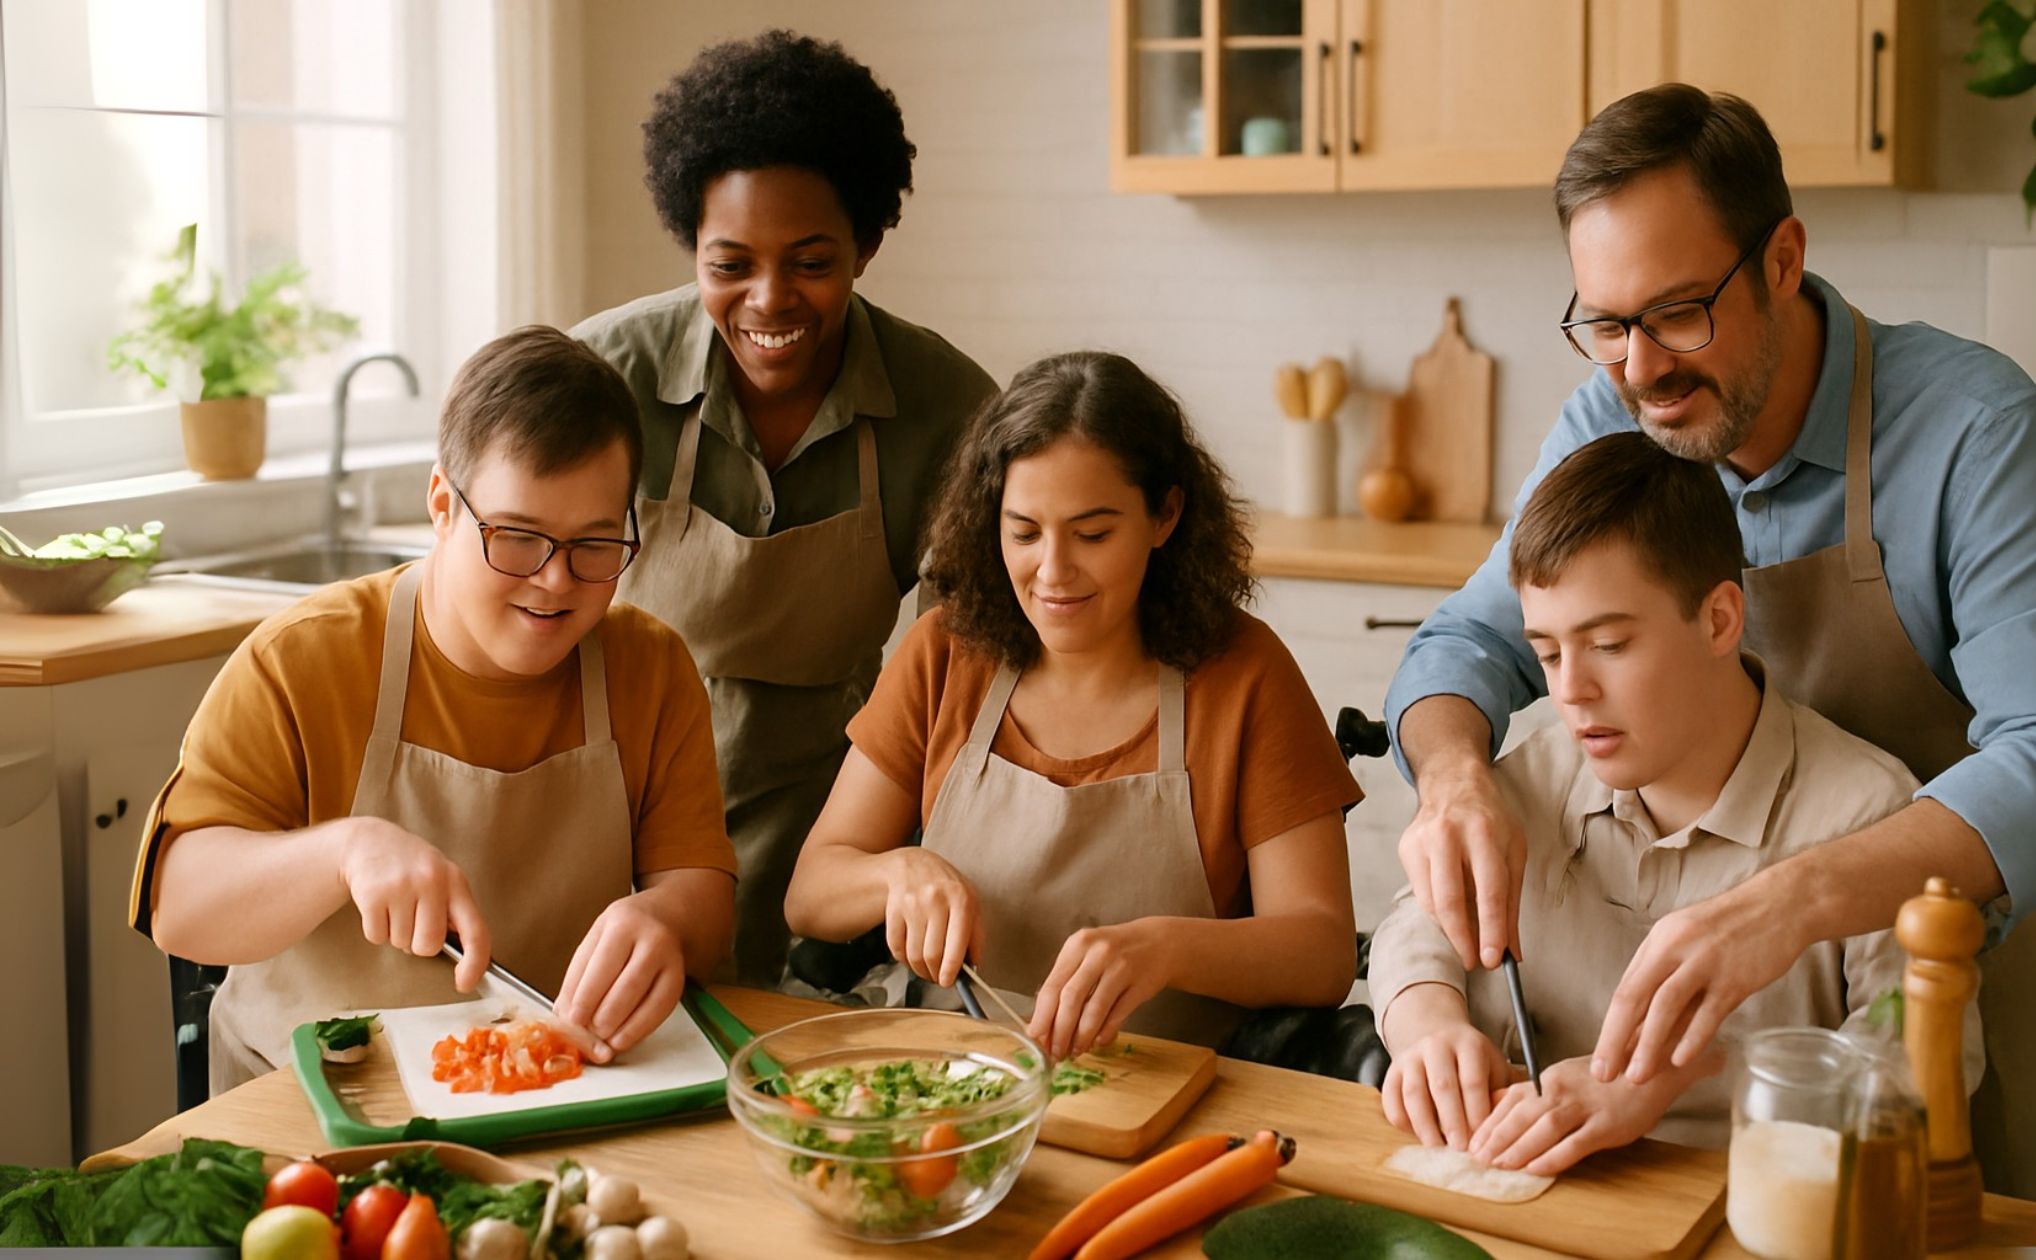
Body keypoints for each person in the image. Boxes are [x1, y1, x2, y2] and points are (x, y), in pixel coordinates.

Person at [1383, 84, 2036, 1088]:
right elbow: (1465, 643)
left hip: (1903, 998)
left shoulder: (1970, 433)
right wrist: (1455, 782)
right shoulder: (1608, 419)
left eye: (1676, 314)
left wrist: (1790, 899)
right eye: (1604, 325)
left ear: (1781, 260)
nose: (1639, 370)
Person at [134, 327, 737, 1092]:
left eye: (594, 545)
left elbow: (705, 898)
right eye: (518, 538)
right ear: (443, 505)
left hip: (564, 1091)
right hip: (312, 1104)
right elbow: (179, 909)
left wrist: (668, 923)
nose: (554, 581)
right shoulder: (302, 658)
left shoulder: (649, 667)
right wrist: (342, 853)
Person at [1372, 431, 1981, 1173]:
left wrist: (1676, 1077)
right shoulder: (1532, 774)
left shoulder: (1873, 819)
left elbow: (1918, 1085)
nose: (1571, 692)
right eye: (1550, 652)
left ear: (1721, 620)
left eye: (1610, 645)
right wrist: (1426, 1026)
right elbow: (1415, 923)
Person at [573, 31, 998, 987]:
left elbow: (961, 674)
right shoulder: (601, 377)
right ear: (691, 243)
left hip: (819, 834)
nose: (770, 299)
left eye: (810, 261)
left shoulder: (948, 408)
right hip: (605, 812)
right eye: (730, 264)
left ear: (867, 245)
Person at [784, 352, 1359, 1057]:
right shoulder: (945, 651)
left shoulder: (1246, 674)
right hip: (951, 1085)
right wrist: (897, 873)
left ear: (1165, 515)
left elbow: (1322, 951)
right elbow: (810, 891)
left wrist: (1167, 948)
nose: (1052, 572)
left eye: (1092, 534)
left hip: (1170, 1096)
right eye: (1024, 532)